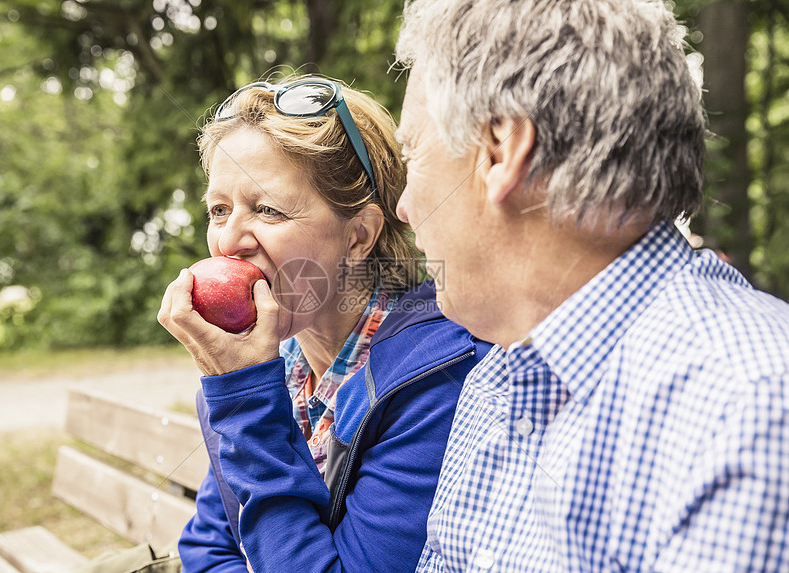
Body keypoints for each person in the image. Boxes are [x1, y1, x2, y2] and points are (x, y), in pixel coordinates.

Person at [392, 0, 789, 571]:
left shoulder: (746, 414)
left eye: (413, 153)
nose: (403, 206)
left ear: (502, 150)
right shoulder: (495, 383)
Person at [157, 76, 491, 573]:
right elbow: (208, 549)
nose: (227, 242)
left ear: (359, 236)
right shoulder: (273, 366)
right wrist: (240, 393)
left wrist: (245, 401)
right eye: (219, 210)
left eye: (267, 209)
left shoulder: (434, 381)